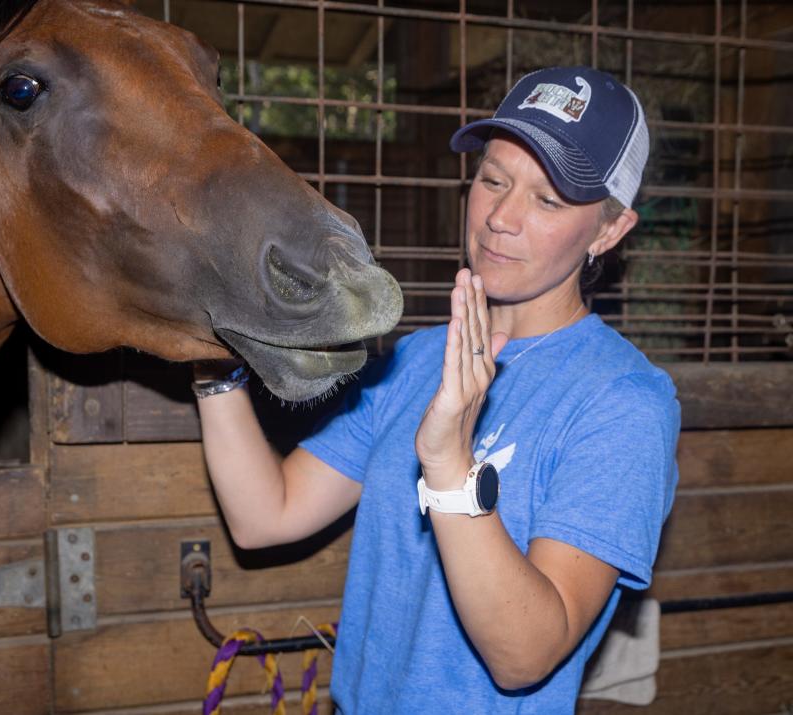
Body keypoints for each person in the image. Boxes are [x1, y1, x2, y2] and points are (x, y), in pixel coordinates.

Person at [193, 66, 679, 713]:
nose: (501, 217)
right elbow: (265, 515)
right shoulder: (415, 360)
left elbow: (525, 654)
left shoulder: (623, 401)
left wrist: (450, 463)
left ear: (610, 231)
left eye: (548, 200)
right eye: (493, 179)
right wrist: (209, 354)